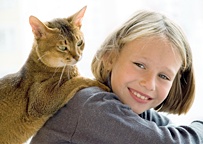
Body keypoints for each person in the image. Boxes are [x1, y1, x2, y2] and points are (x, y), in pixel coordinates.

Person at [30, 10, 203, 144]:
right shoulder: (89, 106)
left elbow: (172, 131)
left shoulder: (133, 111)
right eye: (140, 65)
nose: (149, 84)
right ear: (109, 57)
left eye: (164, 76)